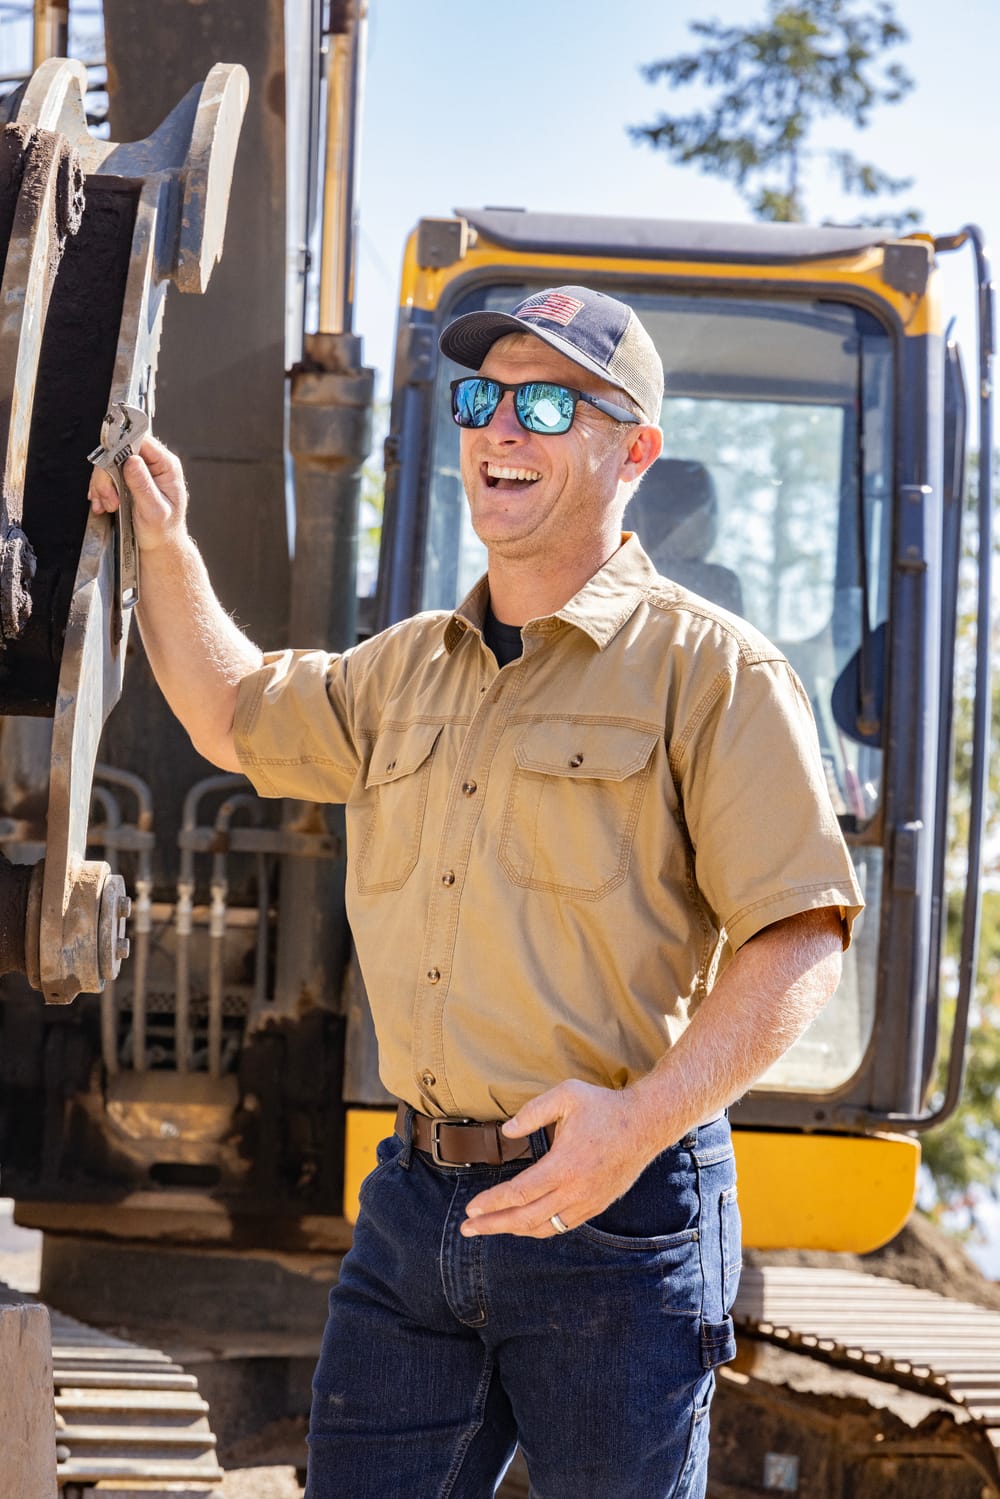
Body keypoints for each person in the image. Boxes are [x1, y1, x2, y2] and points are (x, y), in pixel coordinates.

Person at [89, 284, 863, 1499]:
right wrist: (163, 539)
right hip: (414, 1201)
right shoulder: (405, 670)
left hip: (614, 1210)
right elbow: (234, 711)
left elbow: (803, 938)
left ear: (634, 448)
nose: (501, 427)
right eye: (481, 396)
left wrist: (639, 1121)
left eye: (547, 401)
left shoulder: (713, 674)